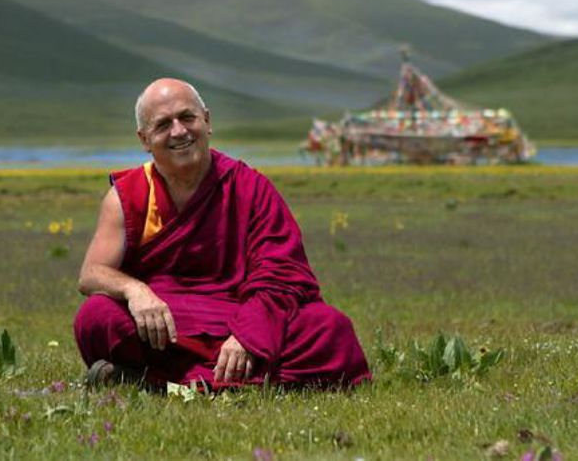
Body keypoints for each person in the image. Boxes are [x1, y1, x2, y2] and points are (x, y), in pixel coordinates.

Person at [73, 78, 370, 390]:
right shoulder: (129, 195)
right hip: (166, 326)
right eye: (163, 125)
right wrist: (137, 292)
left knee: (330, 329)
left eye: (187, 117)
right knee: (96, 316)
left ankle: (156, 382)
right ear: (144, 139)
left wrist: (248, 335)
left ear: (207, 121)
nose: (179, 131)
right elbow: (91, 274)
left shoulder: (250, 187)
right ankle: (228, 381)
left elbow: (282, 275)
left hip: (240, 314)